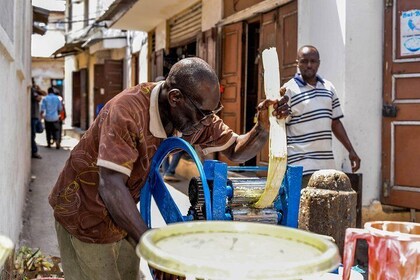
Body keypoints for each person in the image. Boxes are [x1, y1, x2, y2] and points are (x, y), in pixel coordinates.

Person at [48, 57, 289, 280]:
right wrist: (155, 249)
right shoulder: (126, 112)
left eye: (212, 114)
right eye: (205, 114)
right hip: (84, 212)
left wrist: (262, 129)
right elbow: (110, 186)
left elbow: (236, 150)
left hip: (121, 216)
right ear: (175, 98)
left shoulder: (195, 114)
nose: (208, 121)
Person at [283, 45, 361, 187]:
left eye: (313, 61)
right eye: (304, 61)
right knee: (303, 207)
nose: (309, 65)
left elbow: (335, 122)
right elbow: (280, 126)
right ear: (297, 63)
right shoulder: (288, 90)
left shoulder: (328, 88)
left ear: (318, 63)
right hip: (300, 165)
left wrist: (351, 150)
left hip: (325, 166)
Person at [30, 78, 46, 159]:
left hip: (36, 116)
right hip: (33, 116)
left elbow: (44, 94)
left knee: (40, 130)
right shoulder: (32, 91)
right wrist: (36, 91)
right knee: (32, 135)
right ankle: (34, 151)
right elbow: (39, 98)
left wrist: (38, 89)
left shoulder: (34, 90)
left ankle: (33, 150)